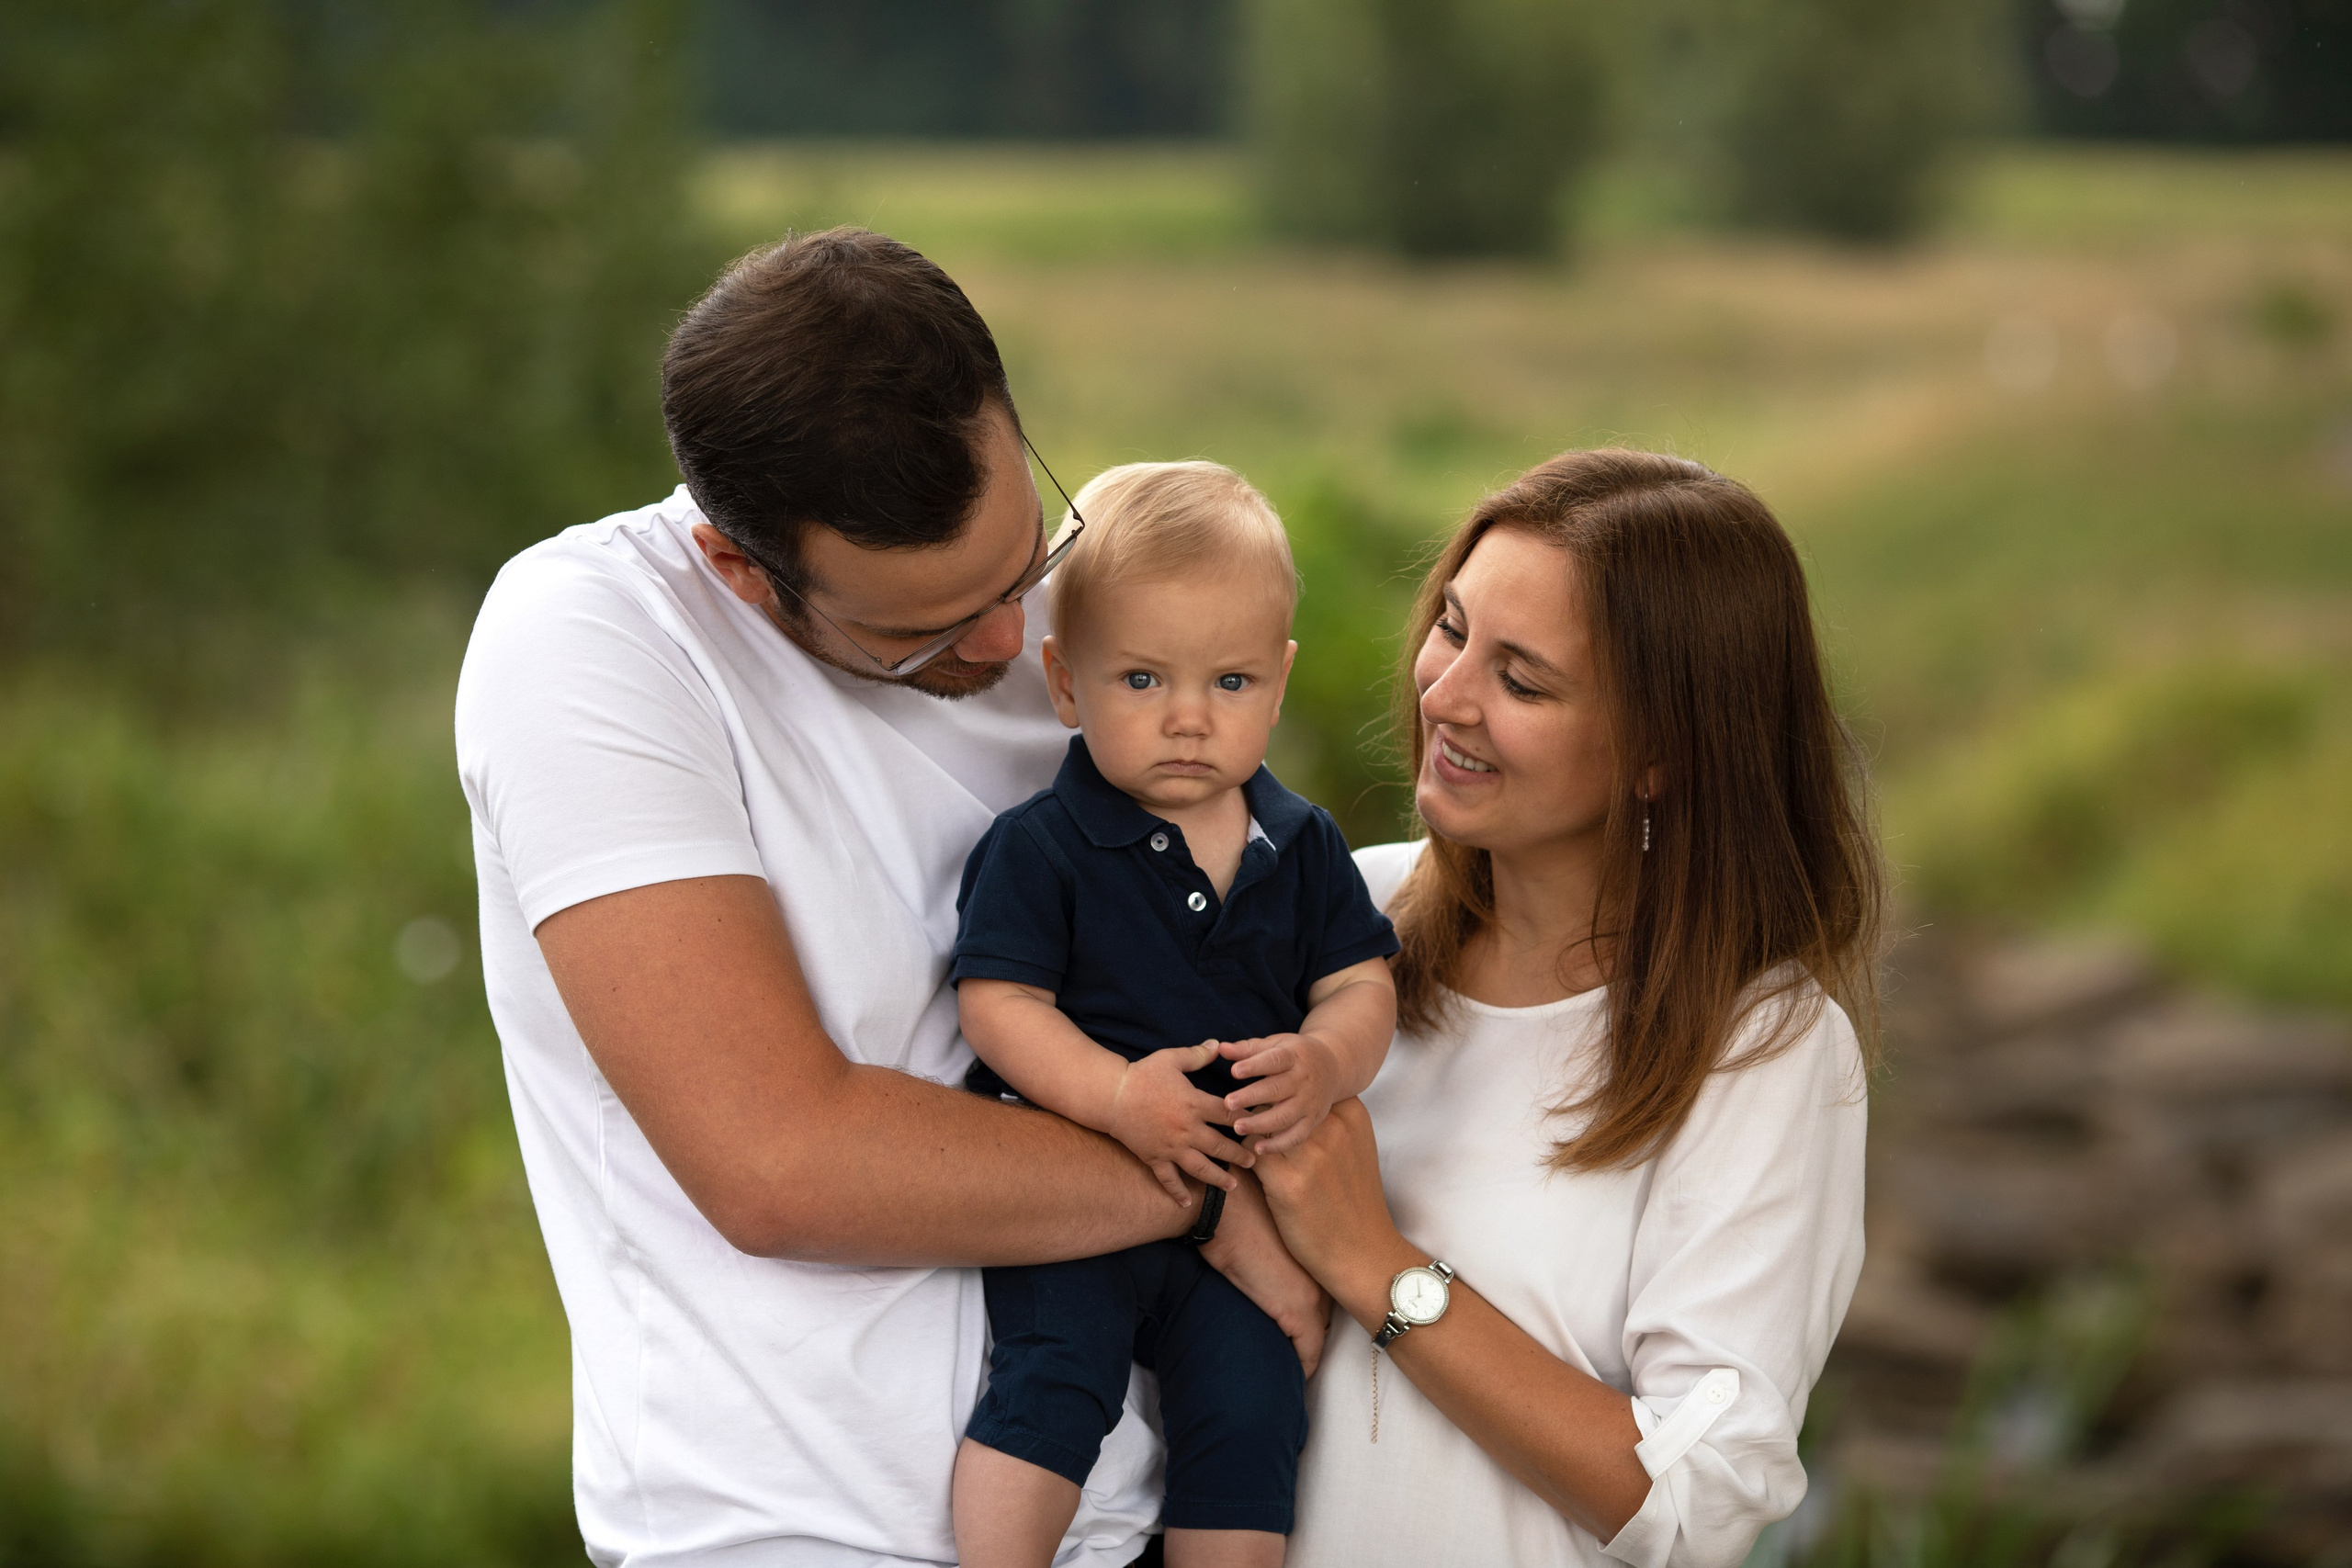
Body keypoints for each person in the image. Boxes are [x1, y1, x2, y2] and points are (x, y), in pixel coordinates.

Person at [454, 229, 1319, 1568]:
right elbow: (781, 1160)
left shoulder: (1087, 611)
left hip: (1136, 1511)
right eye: (919, 632)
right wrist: (1212, 1189)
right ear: (745, 570)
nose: (1007, 645)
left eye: (1022, 564)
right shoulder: (595, 642)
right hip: (794, 1528)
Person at [1242, 449, 1886, 1568]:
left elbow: (1698, 1503)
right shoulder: (1337, 905)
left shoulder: (1761, 1048)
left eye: (1523, 681)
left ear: (1659, 757)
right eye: (1451, 628)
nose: (1443, 695)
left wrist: (1376, 1265)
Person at [944, 462, 1400, 1568]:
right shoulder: (1041, 845)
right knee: (1055, 1382)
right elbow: (998, 1003)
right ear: (1065, 683)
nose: (1189, 720)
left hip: (1242, 1211)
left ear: (1279, 682)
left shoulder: (1301, 847)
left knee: (1253, 1415)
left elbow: (1360, 983)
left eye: (1230, 683)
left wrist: (1327, 1060)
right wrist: (1113, 1093)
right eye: (1141, 680)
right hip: (1081, 1186)